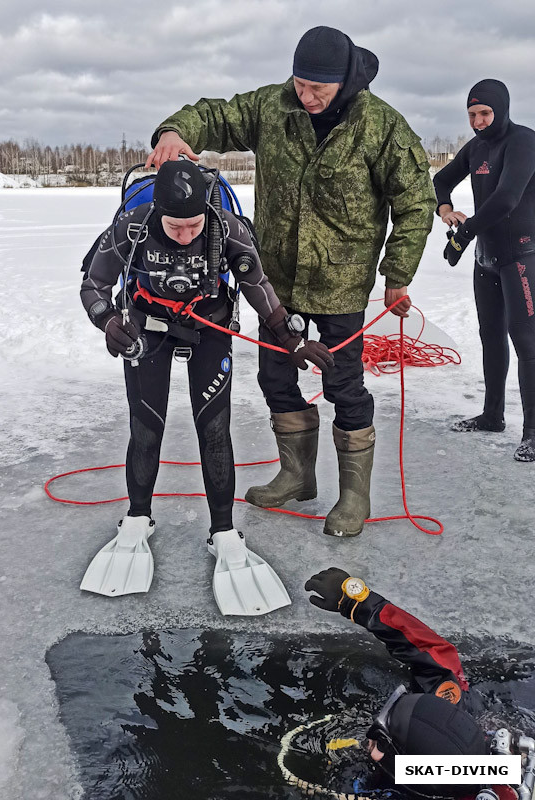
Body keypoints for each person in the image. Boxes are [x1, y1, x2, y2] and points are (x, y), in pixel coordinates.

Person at [146, 25, 436, 537]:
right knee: (274, 378)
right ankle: (298, 475)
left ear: (343, 80)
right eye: (299, 85)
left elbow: (415, 202)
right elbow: (215, 114)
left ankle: (354, 496)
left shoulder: (382, 126)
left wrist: (398, 274)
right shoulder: (273, 107)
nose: (305, 97)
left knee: (344, 385)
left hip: (341, 284)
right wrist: (174, 131)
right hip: (276, 283)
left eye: (316, 89)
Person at [79, 160, 333, 616]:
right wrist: (108, 321)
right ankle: (137, 519)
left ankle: (223, 531)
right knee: (146, 428)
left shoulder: (225, 226)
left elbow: (258, 287)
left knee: (214, 430)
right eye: (176, 226)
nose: (185, 234)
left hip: (209, 326)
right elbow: (93, 283)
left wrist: (293, 341)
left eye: (193, 225)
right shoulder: (133, 226)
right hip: (147, 329)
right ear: (158, 211)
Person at [304, 567, 527, 799]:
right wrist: (358, 603)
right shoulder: (452, 736)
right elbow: (435, 656)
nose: (369, 739)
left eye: (381, 741)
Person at [433, 79, 535, 463]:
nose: (478, 122)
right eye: (472, 114)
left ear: (501, 109)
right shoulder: (476, 147)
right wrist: (446, 210)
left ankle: (533, 433)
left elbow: (507, 198)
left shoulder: (523, 142)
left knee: (527, 342)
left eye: (484, 113)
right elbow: (441, 180)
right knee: (491, 336)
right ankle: (492, 416)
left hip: (521, 255)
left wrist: (465, 233)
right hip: (487, 256)